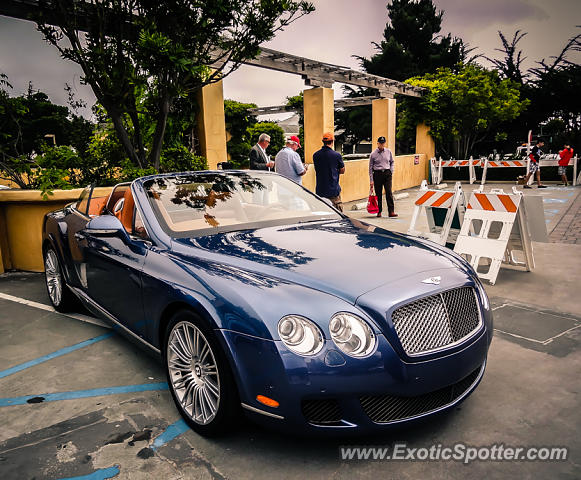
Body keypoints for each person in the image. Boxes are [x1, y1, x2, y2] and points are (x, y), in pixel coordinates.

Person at [313, 132, 345, 211]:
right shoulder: (336, 155)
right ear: (332, 141)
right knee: (337, 214)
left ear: (323, 142)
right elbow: (342, 170)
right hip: (333, 191)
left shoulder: (316, 155)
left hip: (320, 191)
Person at [369, 136, 397, 217]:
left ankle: (391, 211)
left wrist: (391, 171)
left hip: (387, 173)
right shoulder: (373, 154)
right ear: (377, 143)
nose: (382, 144)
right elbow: (370, 168)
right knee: (378, 193)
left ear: (385, 143)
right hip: (377, 174)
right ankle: (379, 211)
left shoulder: (388, 152)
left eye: (383, 143)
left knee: (389, 192)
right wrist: (371, 180)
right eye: (380, 143)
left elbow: (392, 162)